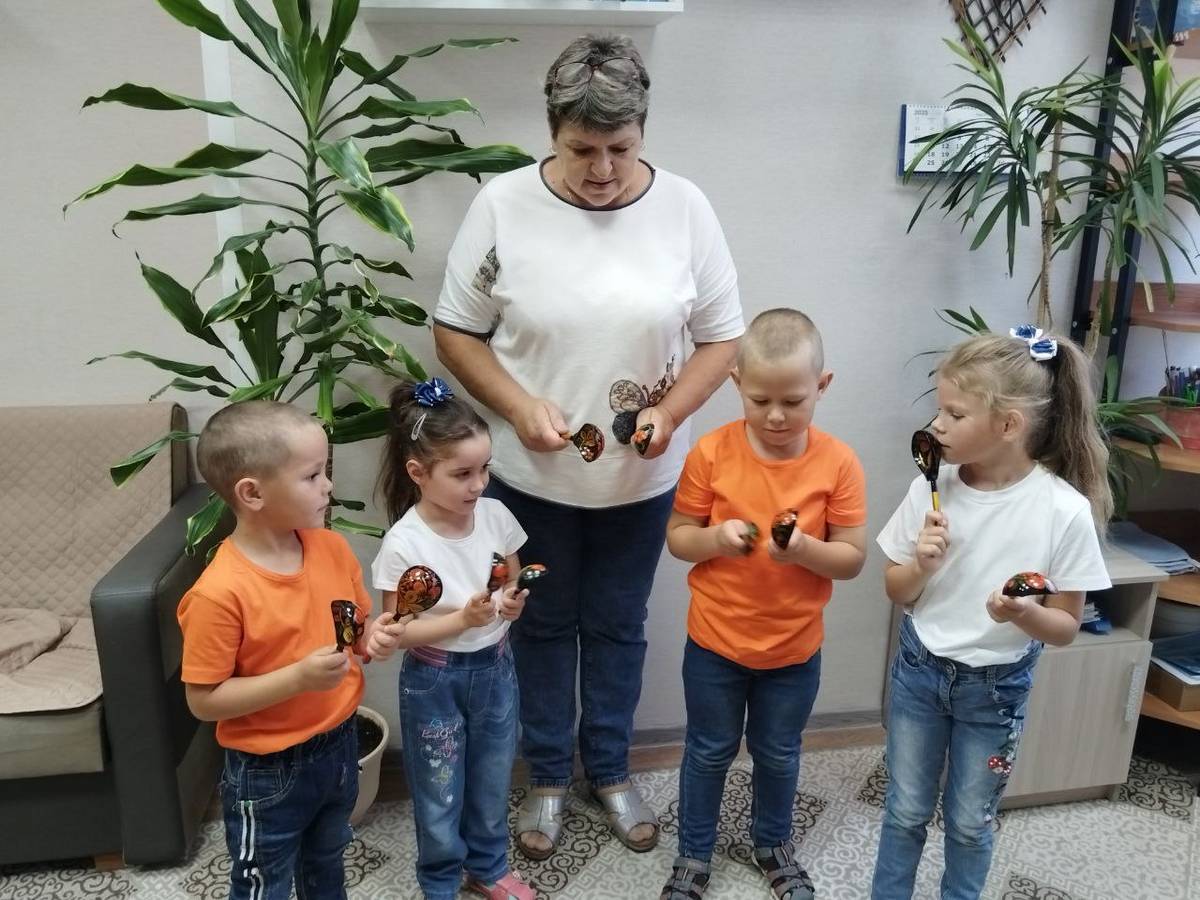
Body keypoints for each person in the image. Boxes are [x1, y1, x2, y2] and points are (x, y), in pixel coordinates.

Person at [433, 33, 745, 860]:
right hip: (529, 478)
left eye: (620, 148)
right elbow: (455, 331)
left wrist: (670, 411)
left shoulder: (685, 208)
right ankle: (545, 777)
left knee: (617, 626)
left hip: (640, 483)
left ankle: (608, 769)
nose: (602, 169)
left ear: (642, 133)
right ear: (552, 132)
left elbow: (722, 339)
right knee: (539, 625)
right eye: (581, 150)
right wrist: (516, 405)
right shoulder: (503, 205)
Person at [870, 327, 1114, 900]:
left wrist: (1022, 615)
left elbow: (1065, 628)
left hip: (997, 692)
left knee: (970, 822)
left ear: (1008, 425)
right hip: (919, 673)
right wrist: (920, 566)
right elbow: (895, 589)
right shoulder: (930, 487)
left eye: (954, 414)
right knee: (904, 811)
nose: (937, 426)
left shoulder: (1063, 511)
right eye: (939, 411)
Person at [658, 309, 867, 900]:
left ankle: (773, 845)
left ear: (822, 386)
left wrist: (804, 550)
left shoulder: (839, 463)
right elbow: (678, 539)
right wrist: (715, 539)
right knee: (708, 751)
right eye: (760, 400)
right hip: (714, 644)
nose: (776, 415)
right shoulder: (711, 453)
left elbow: (851, 559)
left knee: (778, 754)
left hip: (794, 651)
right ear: (736, 385)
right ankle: (693, 853)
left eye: (793, 401)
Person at [178, 401, 406, 900]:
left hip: (339, 746)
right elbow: (204, 700)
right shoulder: (219, 593)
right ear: (252, 493)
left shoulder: (332, 549)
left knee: (327, 863)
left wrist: (373, 638)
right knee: (263, 882)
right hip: (266, 771)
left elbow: (354, 634)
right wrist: (297, 679)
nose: (328, 485)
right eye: (311, 475)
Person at [371, 378, 535, 900]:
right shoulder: (404, 543)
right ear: (417, 473)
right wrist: (461, 621)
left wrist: (511, 602)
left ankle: (488, 867)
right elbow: (398, 631)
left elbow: (510, 579)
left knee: (492, 778)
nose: (478, 484)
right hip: (434, 679)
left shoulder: (496, 516)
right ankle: (440, 880)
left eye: (484, 468)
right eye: (462, 473)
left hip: (496, 670)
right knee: (439, 787)